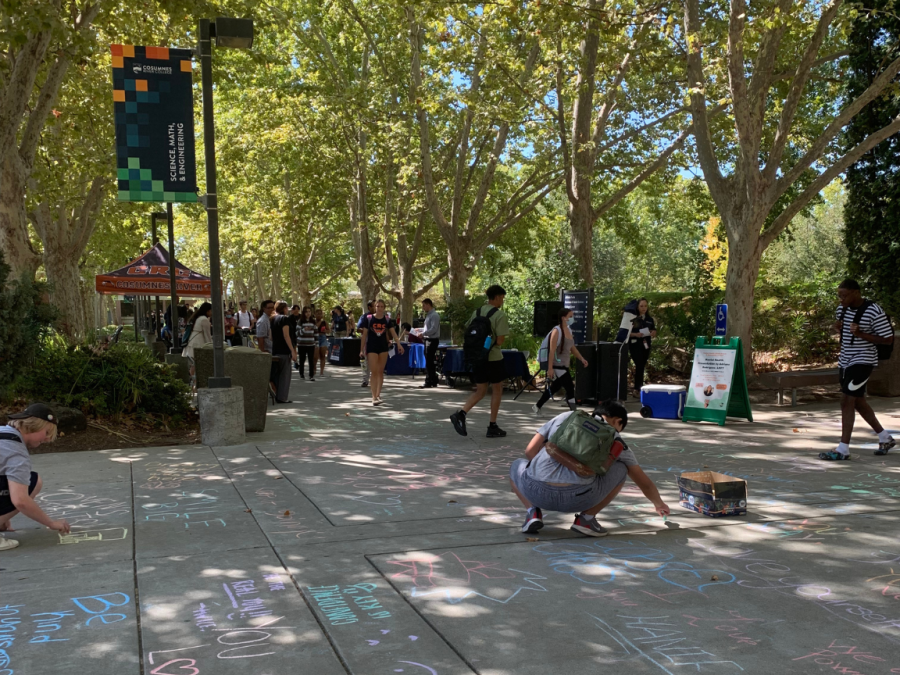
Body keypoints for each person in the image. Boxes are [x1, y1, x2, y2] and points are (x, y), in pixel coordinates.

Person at [510, 401, 670, 536]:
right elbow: (643, 481)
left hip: (536, 492)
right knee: (622, 468)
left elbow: (530, 451)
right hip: (579, 498)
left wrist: (546, 471)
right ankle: (586, 520)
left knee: (517, 464)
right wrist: (659, 504)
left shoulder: (565, 417)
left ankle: (532, 513)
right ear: (618, 422)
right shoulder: (615, 439)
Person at [819, 278, 895, 460]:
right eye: (839, 296)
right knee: (858, 401)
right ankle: (885, 437)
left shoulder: (873, 311)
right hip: (845, 360)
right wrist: (837, 328)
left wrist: (861, 334)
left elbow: (888, 339)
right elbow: (843, 331)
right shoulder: (842, 310)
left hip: (864, 359)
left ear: (856, 292)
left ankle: (843, 449)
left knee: (846, 400)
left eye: (844, 296)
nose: (841, 300)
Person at [1, 403, 71, 550]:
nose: (47, 439)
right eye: (46, 433)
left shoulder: (3, 432)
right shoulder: (16, 452)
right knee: (33, 482)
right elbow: (20, 500)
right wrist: (51, 523)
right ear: (34, 426)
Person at [450, 285, 510, 438]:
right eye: (502, 297)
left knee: (480, 390)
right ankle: (492, 425)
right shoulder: (499, 315)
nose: (502, 300)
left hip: (477, 358)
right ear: (496, 297)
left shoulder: (476, 312)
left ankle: (461, 413)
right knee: (497, 389)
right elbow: (500, 340)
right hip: (493, 358)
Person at [533, 307, 589, 414]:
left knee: (555, 388)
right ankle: (574, 412)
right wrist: (550, 368)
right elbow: (552, 350)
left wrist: (582, 359)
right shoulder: (556, 331)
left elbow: (572, 348)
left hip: (564, 364)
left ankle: (537, 406)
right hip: (557, 365)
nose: (572, 318)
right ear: (563, 318)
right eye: (570, 316)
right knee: (570, 388)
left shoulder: (569, 330)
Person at [359, 299, 404, 406]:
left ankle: (378, 395)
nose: (379, 308)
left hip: (383, 347)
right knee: (373, 372)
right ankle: (373, 397)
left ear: (384, 308)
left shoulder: (387, 320)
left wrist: (399, 344)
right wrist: (361, 349)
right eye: (377, 306)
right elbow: (364, 335)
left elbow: (393, 333)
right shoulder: (369, 319)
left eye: (381, 306)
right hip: (371, 347)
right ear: (375, 307)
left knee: (380, 371)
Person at [628, 298, 657, 394]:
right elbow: (626, 333)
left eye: (645, 306)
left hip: (646, 344)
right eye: (641, 306)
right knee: (639, 364)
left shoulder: (649, 319)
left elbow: (653, 330)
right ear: (637, 307)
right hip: (635, 344)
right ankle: (637, 388)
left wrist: (653, 332)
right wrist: (636, 334)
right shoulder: (633, 318)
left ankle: (639, 387)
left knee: (642, 365)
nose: (644, 308)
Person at [271, 302, 298, 403]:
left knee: (277, 374)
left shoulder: (273, 319)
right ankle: (282, 397)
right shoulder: (284, 319)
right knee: (285, 375)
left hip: (275, 350)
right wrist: (292, 350)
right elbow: (286, 335)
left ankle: (277, 393)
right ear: (285, 308)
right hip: (284, 350)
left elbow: (270, 336)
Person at [182, 302, 213, 387]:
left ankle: (193, 383)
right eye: (211, 311)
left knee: (193, 365)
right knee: (196, 365)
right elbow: (207, 336)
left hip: (191, 342)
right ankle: (195, 383)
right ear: (207, 311)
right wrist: (210, 347)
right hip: (198, 343)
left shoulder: (197, 318)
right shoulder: (204, 319)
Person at [421, 298, 441, 389]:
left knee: (429, 360)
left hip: (432, 340)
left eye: (424, 305)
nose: (423, 307)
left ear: (428, 304)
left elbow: (433, 329)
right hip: (427, 339)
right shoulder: (428, 315)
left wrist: (423, 334)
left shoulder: (434, 315)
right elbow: (428, 328)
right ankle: (432, 379)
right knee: (428, 360)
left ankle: (430, 380)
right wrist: (420, 331)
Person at [296, 306, 317, 381]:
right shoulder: (300, 321)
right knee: (302, 359)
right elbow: (297, 333)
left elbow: (316, 332)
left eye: (309, 312)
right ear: (303, 313)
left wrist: (316, 343)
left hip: (311, 344)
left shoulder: (313, 321)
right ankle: (301, 374)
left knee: (311, 360)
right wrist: (304, 330)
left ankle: (311, 375)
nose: (308, 313)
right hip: (302, 344)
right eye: (306, 312)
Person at [357, 301, 376, 387]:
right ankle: (365, 380)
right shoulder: (364, 317)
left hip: (377, 341)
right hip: (367, 341)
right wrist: (366, 331)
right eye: (374, 306)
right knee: (365, 362)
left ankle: (375, 380)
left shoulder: (380, 317)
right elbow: (358, 329)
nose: (375, 308)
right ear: (369, 307)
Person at [315, 308, 329, 378]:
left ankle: (321, 372)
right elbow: (315, 328)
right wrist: (319, 322)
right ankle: (314, 369)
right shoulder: (313, 322)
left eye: (320, 314)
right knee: (316, 356)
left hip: (323, 338)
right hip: (315, 338)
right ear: (315, 314)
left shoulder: (325, 322)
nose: (319, 315)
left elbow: (329, 330)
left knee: (322, 355)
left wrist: (325, 331)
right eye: (317, 313)